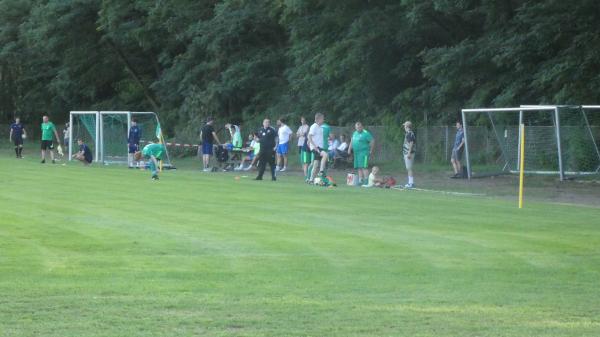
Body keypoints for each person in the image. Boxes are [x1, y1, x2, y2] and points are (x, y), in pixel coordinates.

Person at [307, 112, 329, 183]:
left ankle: (311, 179)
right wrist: (314, 146)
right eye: (322, 119)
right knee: (325, 155)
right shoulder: (314, 126)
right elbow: (309, 136)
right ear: (318, 119)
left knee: (315, 164)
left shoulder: (320, 127)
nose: (323, 120)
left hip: (319, 147)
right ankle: (321, 171)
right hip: (316, 147)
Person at [402, 121, 416, 188]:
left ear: (407, 126)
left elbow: (411, 143)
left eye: (405, 126)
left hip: (409, 153)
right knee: (408, 168)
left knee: (409, 168)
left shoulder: (410, 133)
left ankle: (411, 183)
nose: (404, 127)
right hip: (407, 152)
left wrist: (409, 153)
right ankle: (410, 182)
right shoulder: (408, 133)